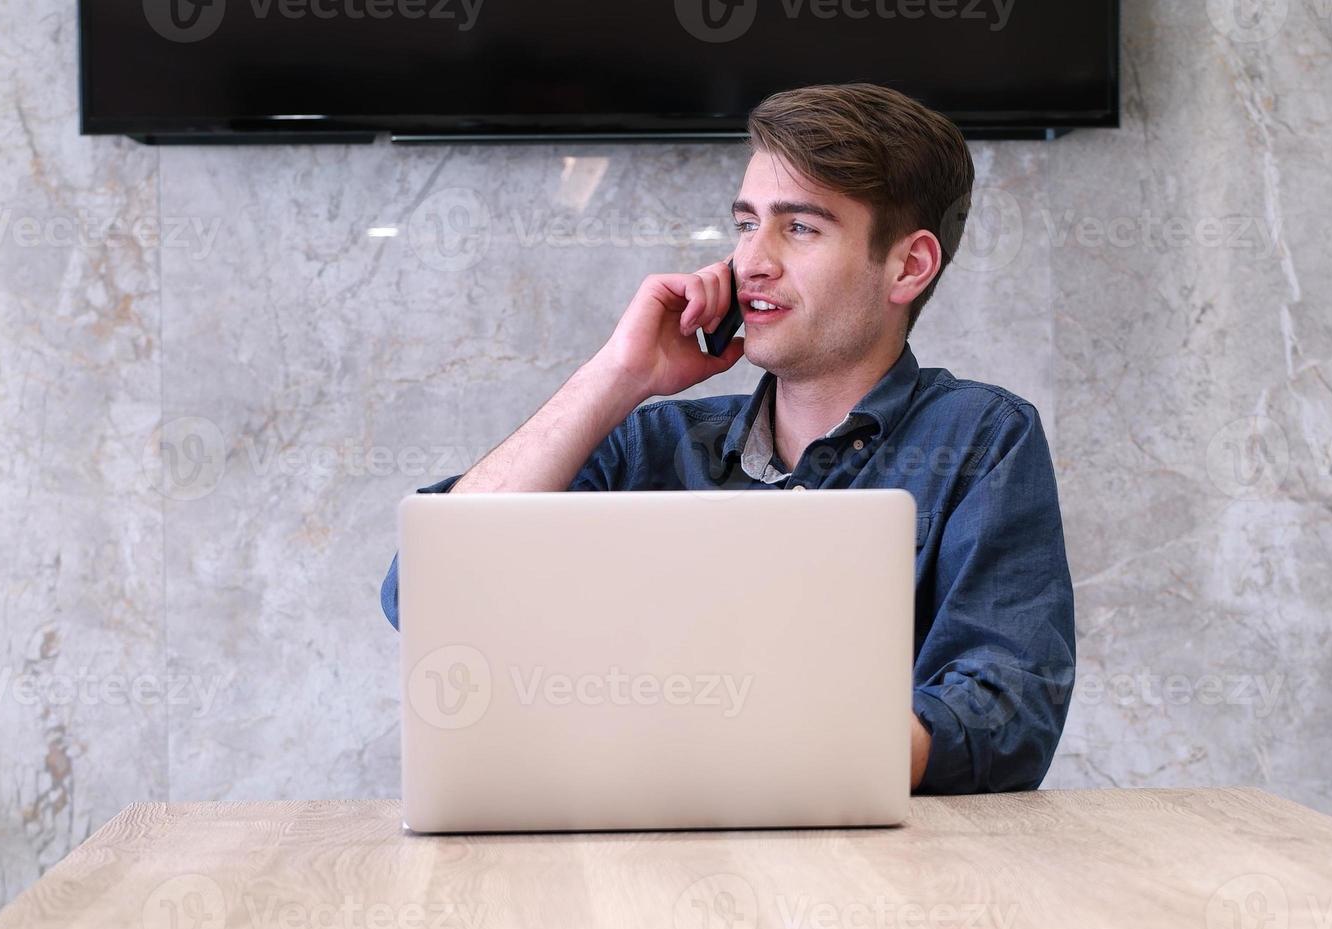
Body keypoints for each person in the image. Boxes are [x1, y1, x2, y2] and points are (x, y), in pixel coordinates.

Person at [381, 82, 1075, 794]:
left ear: (909, 265)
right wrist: (615, 377)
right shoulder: (650, 443)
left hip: (871, 875)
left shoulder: (979, 439)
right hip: (631, 857)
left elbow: (1009, 710)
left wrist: (775, 742)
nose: (751, 263)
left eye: (798, 228)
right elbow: (430, 593)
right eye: (746, 224)